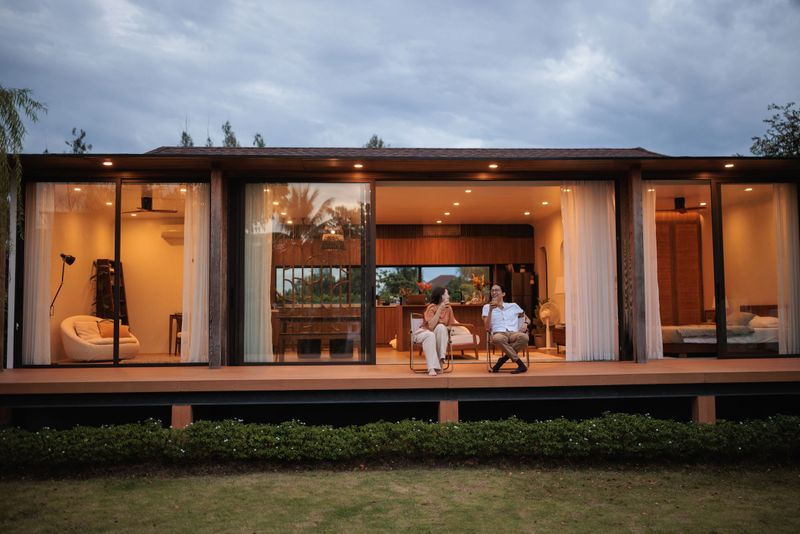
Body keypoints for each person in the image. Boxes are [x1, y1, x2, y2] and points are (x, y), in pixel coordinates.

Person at [482, 284, 529, 374]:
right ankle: (520, 364)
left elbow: (527, 319)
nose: (494, 292)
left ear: (503, 294)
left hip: (513, 333)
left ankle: (502, 360)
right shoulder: (486, 307)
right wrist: (490, 311)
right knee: (497, 339)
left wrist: (526, 323)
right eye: (492, 290)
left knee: (524, 337)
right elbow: (487, 327)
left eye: (497, 290)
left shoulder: (513, 306)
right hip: (499, 333)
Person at [413, 286, 459, 376]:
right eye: (447, 294)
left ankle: (440, 363)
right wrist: (440, 310)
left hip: (438, 334)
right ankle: (431, 368)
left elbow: (450, 325)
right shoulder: (431, 307)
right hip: (424, 333)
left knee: (442, 327)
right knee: (431, 335)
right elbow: (431, 326)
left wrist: (446, 330)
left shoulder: (449, 308)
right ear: (442, 297)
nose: (449, 296)